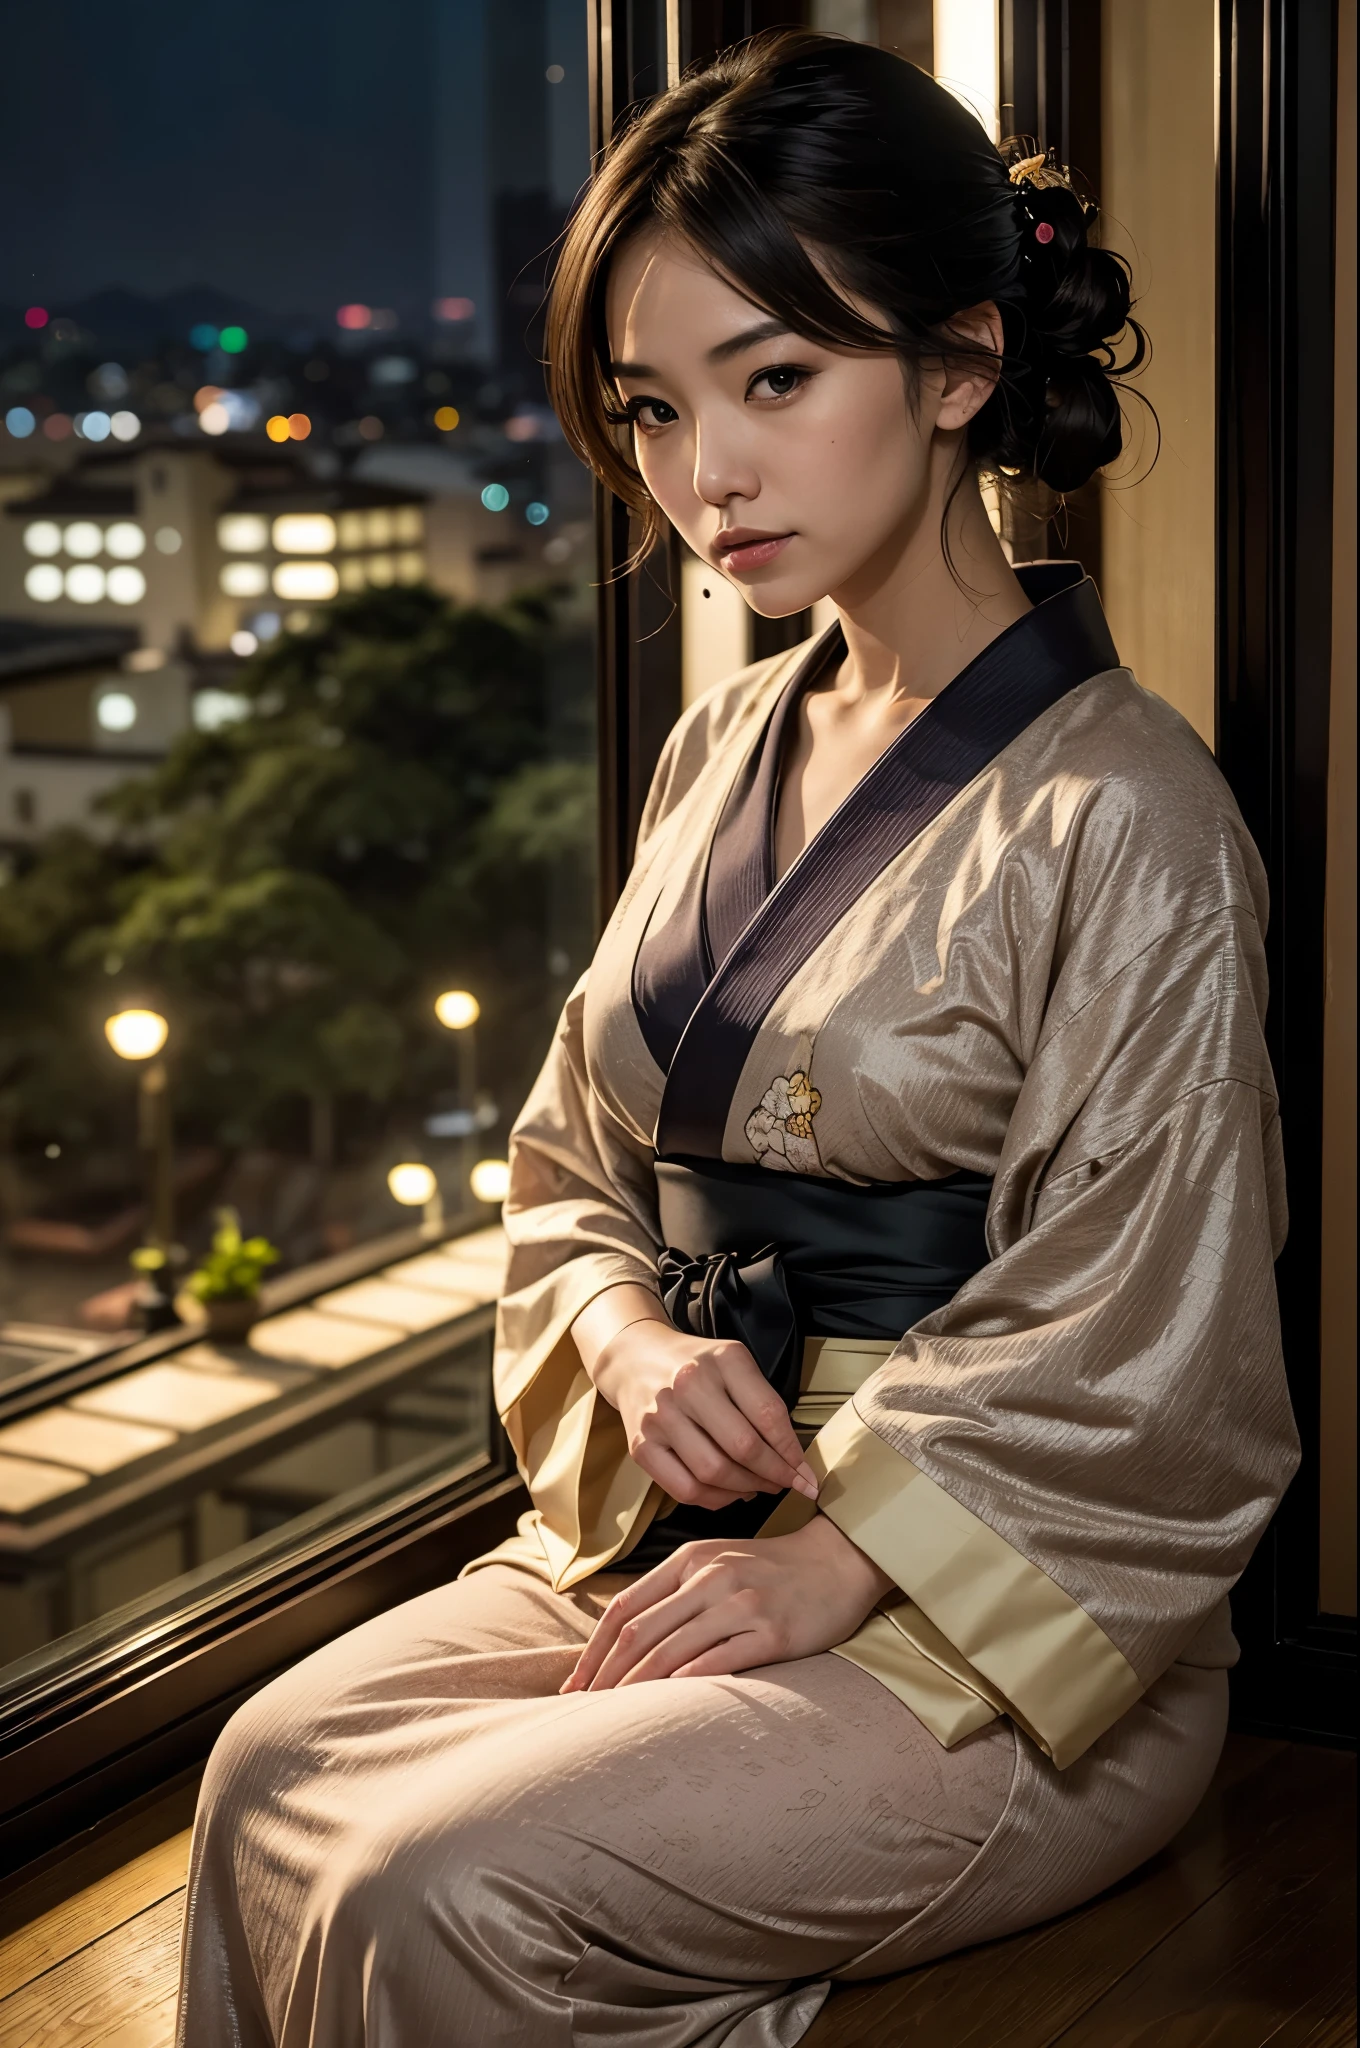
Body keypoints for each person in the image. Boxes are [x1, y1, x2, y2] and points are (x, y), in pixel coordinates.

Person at [177, 31, 1299, 2046]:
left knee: (438, 1880)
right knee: (261, 1770)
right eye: (653, 406)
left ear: (956, 365)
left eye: (774, 379)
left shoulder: (1125, 813)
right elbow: (568, 1158)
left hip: (989, 1606)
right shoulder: (717, 741)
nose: (705, 474)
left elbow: (1154, 1332)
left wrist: (833, 1556)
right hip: (676, 1511)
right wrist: (625, 1338)